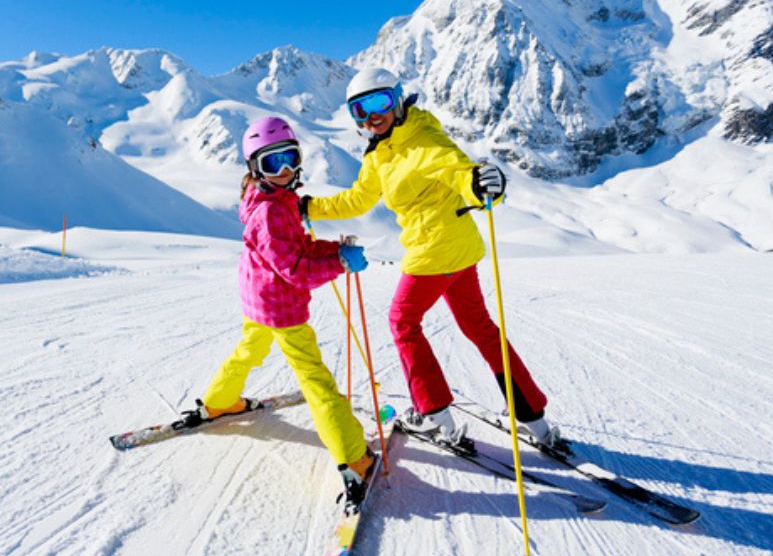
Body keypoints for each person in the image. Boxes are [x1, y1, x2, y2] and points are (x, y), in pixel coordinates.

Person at [299, 68, 559, 452]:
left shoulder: (423, 140)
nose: (372, 117)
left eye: (379, 103)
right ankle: (534, 420)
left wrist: (481, 184)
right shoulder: (381, 152)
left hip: (434, 251)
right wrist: (310, 207)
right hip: (459, 251)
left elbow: (457, 170)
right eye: (360, 110)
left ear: (399, 99)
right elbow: (358, 199)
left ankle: (436, 417)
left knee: (403, 322)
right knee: (480, 328)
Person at [178, 116, 380, 508]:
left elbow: (297, 248)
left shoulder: (270, 199)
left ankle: (220, 402)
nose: (285, 171)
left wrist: (332, 250)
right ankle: (353, 457)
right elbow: (296, 269)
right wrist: (339, 262)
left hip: (257, 300)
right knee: (315, 380)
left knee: (248, 351)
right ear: (255, 169)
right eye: (273, 163)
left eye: (290, 158)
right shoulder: (271, 212)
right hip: (281, 308)